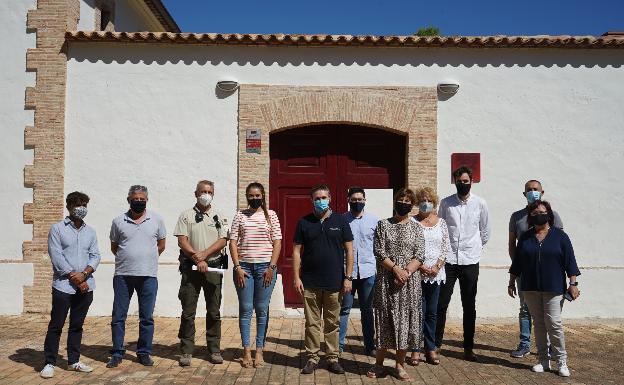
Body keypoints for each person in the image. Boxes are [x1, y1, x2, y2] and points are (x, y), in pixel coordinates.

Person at [508, 200, 580, 377]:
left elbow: (570, 261)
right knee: (539, 324)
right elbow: (517, 263)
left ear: (549, 214)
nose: (538, 214)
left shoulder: (560, 236)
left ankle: (561, 361)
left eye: (542, 211)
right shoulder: (525, 237)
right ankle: (543, 360)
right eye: (534, 213)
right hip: (530, 287)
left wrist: (573, 283)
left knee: (554, 323)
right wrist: (511, 281)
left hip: (554, 288)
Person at [293, 184, 354, 375]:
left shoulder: (340, 221)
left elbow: (350, 251)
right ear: (312, 200)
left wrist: (348, 277)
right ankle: (312, 358)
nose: (321, 201)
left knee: (332, 323)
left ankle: (332, 358)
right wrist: (296, 277)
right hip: (310, 281)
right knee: (312, 323)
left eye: (324, 197)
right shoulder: (304, 222)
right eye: (317, 198)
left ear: (330, 198)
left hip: (334, 282)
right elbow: (296, 252)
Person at [40, 192, 101, 379]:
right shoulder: (57, 229)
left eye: (84, 204)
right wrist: (75, 278)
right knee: (56, 325)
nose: (80, 207)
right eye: (77, 204)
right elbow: (56, 256)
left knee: (77, 325)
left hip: (86, 286)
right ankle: (49, 362)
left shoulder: (90, 231)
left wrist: (85, 275)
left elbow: (96, 255)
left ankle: (74, 361)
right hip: (63, 286)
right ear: (68, 206)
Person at [367, 188, 425, 382]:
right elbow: (379, 251)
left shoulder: (417, 228)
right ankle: (379, 364)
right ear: (395, 201)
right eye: (401, 199)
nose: (404, 203)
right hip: (386, 281)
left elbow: (420, 255)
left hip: (409, 284)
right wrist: (396, 270)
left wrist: (406, 272)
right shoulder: (383, 225)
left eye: (408, 201)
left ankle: (400, 365)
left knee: (405, 323)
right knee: (384, 321)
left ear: (412, 205)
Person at [107, 185, 166, 368]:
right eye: (135, 198)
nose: (139, 201)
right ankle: (117, 352)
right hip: (123, 275)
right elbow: (114, 246)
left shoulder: (156, 219)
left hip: (148, 275)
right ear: (128, 199)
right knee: (118, 316)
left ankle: (144, 352)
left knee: (146, 317)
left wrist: (145, 258)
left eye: (142, 199)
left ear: (147, 200)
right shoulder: (118, 221)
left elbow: (161, 245)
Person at [436, 166, 490, 361]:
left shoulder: (480, 204)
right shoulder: (446, 203)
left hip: (470, 261)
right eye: (459, 181)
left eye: (466, 181)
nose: (463, 184)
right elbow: (441, 228)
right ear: (455, 181)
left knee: (469, 305)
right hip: (448, 260)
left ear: (471, 182)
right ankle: (436, 345)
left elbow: (485, 232)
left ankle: (468, 348)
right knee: (442, 303)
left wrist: (473, 248)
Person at [175, 180, 229, 367]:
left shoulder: (219, 216)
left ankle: (214, 349)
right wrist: (198, 260)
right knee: (188, 311)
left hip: (213, 267)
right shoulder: (186, 216)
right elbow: (182, 240)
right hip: (191, 268)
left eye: (209, 192)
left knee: (213, 311)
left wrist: (205, 256)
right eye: (203, 191)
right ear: (195, 193)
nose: (206, 194)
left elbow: (223, 240)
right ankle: (186, 350)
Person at [508, 180, 564, 358]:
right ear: (524, 194)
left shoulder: (552, 215)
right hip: (525, 273)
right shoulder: (517, 217)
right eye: (529, 190)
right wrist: (517, 267)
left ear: (542, 192)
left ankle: (549, 347)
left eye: (535, 189)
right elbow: (512, 244)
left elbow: (560, 242)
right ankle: (525, 344)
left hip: (549, 274)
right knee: (525, 309)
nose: (532, 192)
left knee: (548, 312)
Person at [229, 182, 282, 368]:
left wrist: (271, 267)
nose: (254, 198)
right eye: (251, 195)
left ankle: (259, 351)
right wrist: (237, 267)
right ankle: (246, 351)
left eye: (257, 195)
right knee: (245, 309)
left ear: (263, 196)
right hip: (244, 268)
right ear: (247, 196)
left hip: (265, 269)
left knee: (261, 309)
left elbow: (277, 242)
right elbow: (233, 242)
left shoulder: (271, 216)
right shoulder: (239, 215)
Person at [407, 187, 450, 366]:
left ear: (434, 202)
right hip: (417, 273)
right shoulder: (411, 222)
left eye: (429, 200)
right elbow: (408, 247)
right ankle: (415, 349)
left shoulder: (441, 223)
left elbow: (446, 246)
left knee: (432, 313)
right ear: (418, 202)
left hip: (436, 274)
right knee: (417, 312)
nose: (426, 202)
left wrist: (437, 266)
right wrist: (421, 266)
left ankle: (430, 348)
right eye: (422, 199)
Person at [339, 187, 378, 357]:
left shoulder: (374, 221)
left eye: (360, 199)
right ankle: (338, 346)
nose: (357, 202)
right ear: (348, 200)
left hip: (368, 272)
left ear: (365, 200)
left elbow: (378, 246)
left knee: (367, 310)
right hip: (347, 273)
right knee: (344, 310)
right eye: (354, 199)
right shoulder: (341, 220)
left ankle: (370, 346)